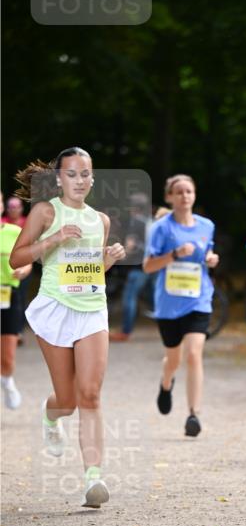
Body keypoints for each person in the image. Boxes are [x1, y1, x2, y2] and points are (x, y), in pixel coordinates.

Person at [9, 147, 125, 507]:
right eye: (72, 174)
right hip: (56, 309)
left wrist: (106, 261)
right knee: (68, 400)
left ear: (92, 178)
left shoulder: (100, 220)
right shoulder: (46, 212)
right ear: (58, 178)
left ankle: (94, 480)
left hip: (92, 311)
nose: (79, 180)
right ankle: (50, 416)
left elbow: (92, 273)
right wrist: (53, 240)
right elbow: (17, 257)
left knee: (90, 393)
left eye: (86, 174)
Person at [142, 173, 219, 436]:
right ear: (170, 197)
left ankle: (194, 414)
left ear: (194, 195)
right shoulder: (161, 228)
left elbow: (207, 251)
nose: (185, 196)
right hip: (169, 304)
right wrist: (174, 254)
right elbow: (148, 266)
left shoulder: (206, 225)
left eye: (189, 191)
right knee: (173, 359)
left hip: (199, 298)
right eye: (179, 192)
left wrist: (210, 258)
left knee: (194, 354)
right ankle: (166, 382)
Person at [109, 192, 154, 341]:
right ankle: (176, 326)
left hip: (139, 266)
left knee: (129, 298)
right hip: (153, 264)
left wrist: (121, 256)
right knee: (154, 299)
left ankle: (125, 332)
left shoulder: (136, 222)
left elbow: (130, 244)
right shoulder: (150, 221)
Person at [1, 190, 32, 408]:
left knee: (7, 358)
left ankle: (7, 380)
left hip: (8, 295)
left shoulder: (14, 232)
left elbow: (28, 260)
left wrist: (24, 269)